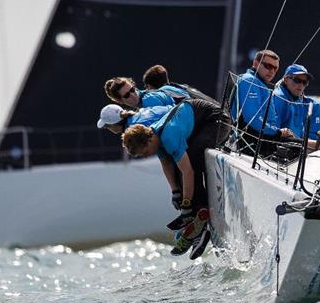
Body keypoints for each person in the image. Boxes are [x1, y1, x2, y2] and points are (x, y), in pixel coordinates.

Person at [122, 97, 231, 255]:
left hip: (217, 120)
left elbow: (188, 172)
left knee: (192, 159)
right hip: (200, 124)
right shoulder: (155, 136)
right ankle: (197, 221)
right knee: (177, 164)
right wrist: (176, 192)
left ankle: (200, 216)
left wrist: (186, 204)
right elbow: (166, 165)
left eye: (144, 153)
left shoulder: (168, 136)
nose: (146, 156)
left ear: (148, 141)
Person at [230, 49, 294, 155]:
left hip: (261, 141)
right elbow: (252, 118)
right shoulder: (250, 80)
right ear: (255, 63)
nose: (272, 71)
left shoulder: (260, 84)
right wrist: (277, 132)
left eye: (275, 68)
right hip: (249, 143)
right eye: (268, 66)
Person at [273, 65, 320, 151]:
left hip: (295, 150)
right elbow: (273, 133)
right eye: (297, 80)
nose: (301, 85)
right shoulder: (278, 97)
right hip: (279, 149)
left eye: (305, 82)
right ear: (286, 79)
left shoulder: (313, 105)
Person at [104, 76, 189, 109]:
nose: (133, 95)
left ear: (134, 86)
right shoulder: (144, 102)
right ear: (120, 101)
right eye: (127, 95)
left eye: (132, 89)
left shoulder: (148, 100)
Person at [96, 103, 173, 135]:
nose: (108, 129)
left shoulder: (136, 129)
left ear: (114, 124)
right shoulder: (138, 114)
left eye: (106, 126)